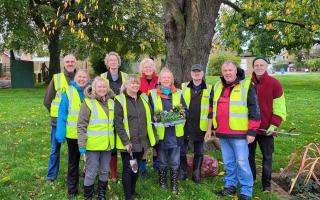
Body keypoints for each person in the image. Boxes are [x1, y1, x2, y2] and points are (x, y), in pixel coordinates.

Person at [213, 61, 261, 200]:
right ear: (222, 72)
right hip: (222, 132)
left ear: (236, 71)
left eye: (230, 70)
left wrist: (252, 131)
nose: (227, 73)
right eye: (225, 70)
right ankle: (230, 185)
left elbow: (255, 110)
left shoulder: (246, 86)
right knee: (228, 162)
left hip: (240, 134)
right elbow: (212, 106)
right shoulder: (217, 86)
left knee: (242, 162)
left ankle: (246, 191)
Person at [114, 74, 158, 200]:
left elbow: (150, 116)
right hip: (129, 143)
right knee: (128, 169)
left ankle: (132, 191)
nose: (135, 85)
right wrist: (126, 142)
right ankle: (128, 196)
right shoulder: (120, 100)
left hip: (142, 140)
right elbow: (118, 123)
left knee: (135, 168)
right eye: (132, 83)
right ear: (126, 85)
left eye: (136, 83)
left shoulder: (143, 97)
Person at [249, 57, 287, 192]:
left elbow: (280, 107)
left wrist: (274, 124)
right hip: (250, 129)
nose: (259, 67)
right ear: (253, 67)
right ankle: (251, 179)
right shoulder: (247, 84)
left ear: (266, 67)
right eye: (256, 65)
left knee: (267, 157)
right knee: (249, 156)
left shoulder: (274, 83)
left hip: (267, 129)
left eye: (262, 65)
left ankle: (266, 184)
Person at [149, 68, 186, 194]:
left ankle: (174, 184)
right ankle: (163, 183)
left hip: (176, 133)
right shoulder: (152, 94)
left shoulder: (179, 93)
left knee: (175, 160)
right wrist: (168, 116)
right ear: (159, 79)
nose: (166, 79)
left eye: (168, 77)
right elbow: (151, 114)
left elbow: (183, 112)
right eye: (163, 77)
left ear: (172, 80)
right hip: (161, 134)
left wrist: (163, 117)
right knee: (162, 159)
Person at [77, 77, 115, 200]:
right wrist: (82, 146)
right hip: (92, 146)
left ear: (107, 88)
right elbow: (81, 125)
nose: (102, 89)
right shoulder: (87, 103)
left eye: (104, 87)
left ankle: (101, 194)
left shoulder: (112, 102)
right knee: (91, 172)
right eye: (99, 87)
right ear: (94, 88)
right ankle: (88, 196)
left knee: (104, 171)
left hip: (107, 145)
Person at [55, 69, 89, 199]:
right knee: (73, 162)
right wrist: (60, 133)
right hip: (73, 135)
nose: (82, 79)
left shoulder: (92, 91)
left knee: (89, 162)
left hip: (89, 134)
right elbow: (62, 114)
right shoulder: (68, 92)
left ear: (88, 79)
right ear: (75, 78)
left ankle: (88, 186)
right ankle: (72, 190)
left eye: (84, 77)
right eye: (79, 77)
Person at [43, 54, 77, 184]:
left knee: (74, 151)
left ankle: (73, 175)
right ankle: (51, 177)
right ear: (63, 64)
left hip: (75, 123)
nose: (69, 63)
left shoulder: (80, 77)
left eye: (72, 61)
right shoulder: (56, 78)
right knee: (55, 149)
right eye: (67, 61)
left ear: (75, 63)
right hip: (58, 122)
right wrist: (55, 115)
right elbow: (47, 100)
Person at [179, 64, 213, 183]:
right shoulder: (183, 87)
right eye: (194, 71)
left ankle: (196, 173)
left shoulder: (209, 88)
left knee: (199, 151)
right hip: (185, 125)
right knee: (182, 150)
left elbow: (211, 111)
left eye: (199, 71)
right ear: (191, 73)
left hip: (200, 125)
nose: (196, 73)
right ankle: (182, 172)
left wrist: (209, 129)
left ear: (203, 73)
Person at [100, 51, 128, 182]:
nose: (113, 62)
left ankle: (128, 170)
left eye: (115, 60)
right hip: (108, 113)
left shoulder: (126, 76)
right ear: (107, 63)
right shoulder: (102, 77)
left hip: (124, 113)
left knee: (124, 140)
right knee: (111, 144)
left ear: (118, 62)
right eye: (110, 60)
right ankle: (113, 174)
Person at [138, 58, 159, 177]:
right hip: (143, 115)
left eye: (150, 66)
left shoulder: (159, 80)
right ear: (142, 69)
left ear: (153, 68)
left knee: (156, 142)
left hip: (157, 115)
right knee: (145, 142)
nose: (148, 69)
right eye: (145, 67)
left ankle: (156, 165)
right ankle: (142, 168)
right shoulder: (139, 81)